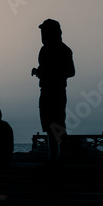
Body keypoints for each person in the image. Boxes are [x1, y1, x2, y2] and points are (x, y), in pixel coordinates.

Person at [31, 19, 75, 166]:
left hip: (57, 92)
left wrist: (52, 72)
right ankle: (53, 158)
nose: (42, 35)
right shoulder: (43, 51)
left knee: (57, 126)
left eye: (45, 31)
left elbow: (71, 72)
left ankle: (60, 158)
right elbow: (43, 70)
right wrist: (38, 72)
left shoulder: (65, 50)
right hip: (45, 92)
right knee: (49, 127)